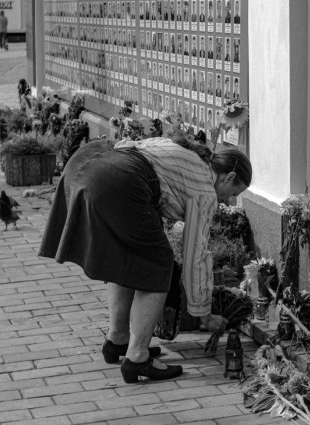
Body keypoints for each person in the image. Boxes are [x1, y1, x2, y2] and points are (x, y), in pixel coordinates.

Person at [39, 125, 251, 384]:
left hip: (86, 164)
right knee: (158, 263)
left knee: (128, 256)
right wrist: (204, 314)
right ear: (228, 178)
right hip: (118, 181)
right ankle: (138, 357)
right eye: (234, 193)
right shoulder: (205, 190)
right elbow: (197, 255)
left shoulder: (185, 154)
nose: (229, 201)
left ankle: (117, 340)